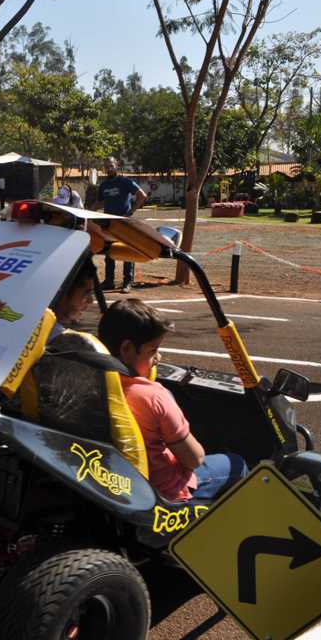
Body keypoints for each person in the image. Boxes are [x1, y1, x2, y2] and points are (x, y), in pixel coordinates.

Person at [98, 298, 247, 502]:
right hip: (165, 492)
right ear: (126, 349)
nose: (158, 358)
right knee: (237, 464)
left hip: (118, 481)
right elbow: (195, 459)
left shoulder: (93, 380)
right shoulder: (153, 396)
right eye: (153, 350)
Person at [92, 157, 147, 293]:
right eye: (106, 166)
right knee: (109, 251)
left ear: (116, 166)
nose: (109, 168)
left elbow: (142, 196)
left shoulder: (125, 182)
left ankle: (127, 282)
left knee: (127, 252)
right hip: (108, 224)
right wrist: (88, 211)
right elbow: (100, 202)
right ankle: (109, 281)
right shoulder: (103, 185)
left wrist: (131, 212)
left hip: (124, 224)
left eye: (111, 165)